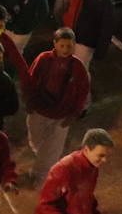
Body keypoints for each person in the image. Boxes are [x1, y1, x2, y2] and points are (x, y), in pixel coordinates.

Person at [19, 29, 92, 182]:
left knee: (53, 148)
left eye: (69, 46)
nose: (65, 50)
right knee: (36, 140)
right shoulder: (43, 59)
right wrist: (29, 100)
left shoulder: (78, 66)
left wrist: (74, 113)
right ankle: (44, 162)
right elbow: (30, 80)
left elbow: (83, 91)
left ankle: (41, 175)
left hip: (62, 113)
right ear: (55, 44)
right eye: (62, 46)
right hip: (40, 109)